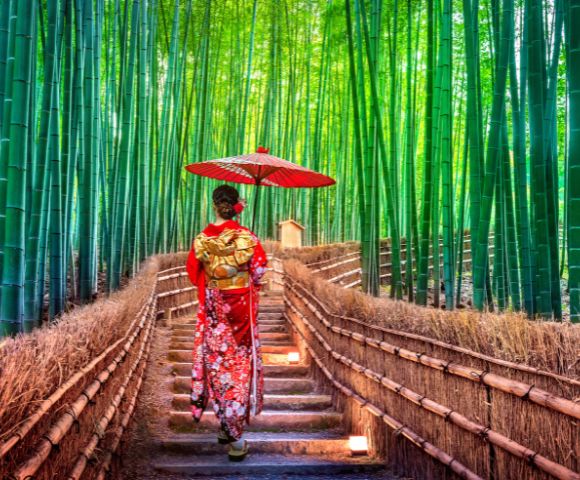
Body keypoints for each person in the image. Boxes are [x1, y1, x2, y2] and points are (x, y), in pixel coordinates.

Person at [185, 185, 268, 462]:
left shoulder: (202, 238)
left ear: (213, 205)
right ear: (236, 205)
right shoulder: (247, 236)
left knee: (217, 363)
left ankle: (224, 424)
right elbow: (258, 271)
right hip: (240, 310)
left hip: (213, 309)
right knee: (238, 367)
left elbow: (192, 272)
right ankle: (236, 438)